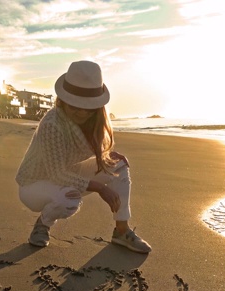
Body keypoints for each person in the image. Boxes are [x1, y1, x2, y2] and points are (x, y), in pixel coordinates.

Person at [15, 60, 152, 253]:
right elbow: (57, 175)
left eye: (88, 106)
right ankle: (43, 224)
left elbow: (80, 154)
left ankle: (122, 231)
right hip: (34, 184)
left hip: (68, 172)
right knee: (69, 199)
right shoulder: (52, 124)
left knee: (119, 164)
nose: (82, 111)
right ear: (63, 100)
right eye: (75, 105)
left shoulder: (95, 121)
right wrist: (99, 188)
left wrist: (106, 155)